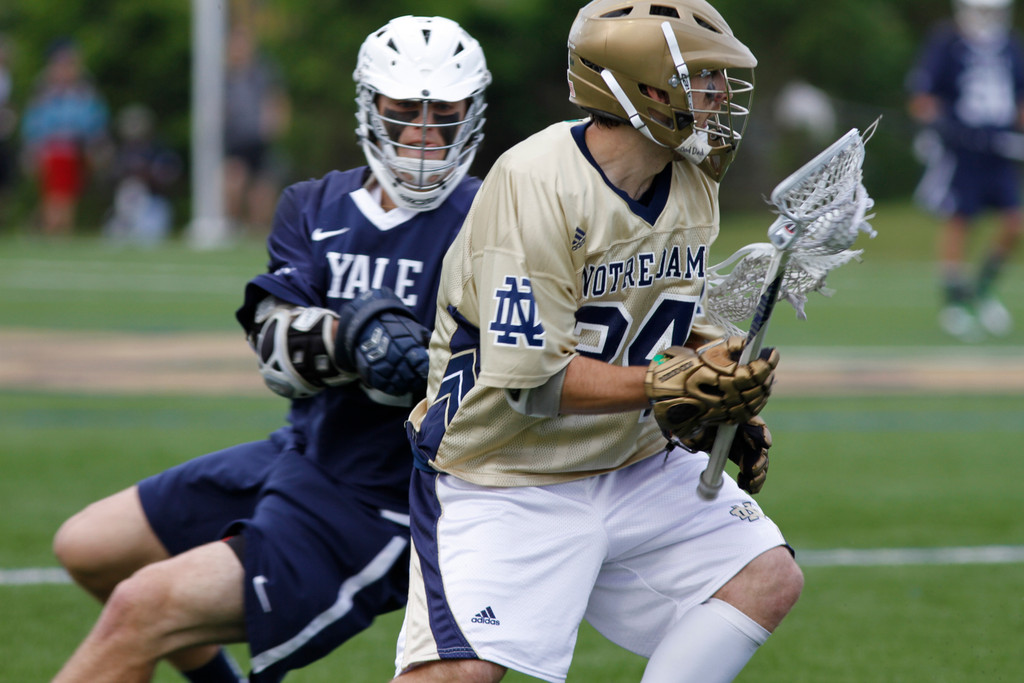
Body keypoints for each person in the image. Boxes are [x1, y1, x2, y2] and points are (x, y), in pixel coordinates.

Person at [51, 16, 490, 683]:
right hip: (305, 449)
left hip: (389, 495)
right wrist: (352, 338)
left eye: (444, 115)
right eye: (403, 113)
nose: (424, 137)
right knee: (87, 547)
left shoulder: (495, 219)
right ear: (370, 108)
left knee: (142, 605)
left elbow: (507, 365)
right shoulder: (315, 204)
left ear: (472, 114)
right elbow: (276, 351)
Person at [391, 2, 803, 683]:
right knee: (456, 675)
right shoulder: (536, 181)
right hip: (505, 471)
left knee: (765, 576)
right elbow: (533, 381)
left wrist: (713, 392)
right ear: (643, 86)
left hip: (633, 460)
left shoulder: (692, 180)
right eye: (703, 79)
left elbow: (652, 317)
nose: (721, 96)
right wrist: (663, 385)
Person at [907, 0, 1024, 341]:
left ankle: (982, 290)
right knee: (960, 221)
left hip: (999, 149)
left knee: (1013, 223)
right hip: (962, 152)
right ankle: (955, 303)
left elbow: (1018, 98)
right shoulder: (946, 42)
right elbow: (922, 97)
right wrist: (944, 126)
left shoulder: (1011, 47)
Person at [20, 38, 110, 236]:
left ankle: (56, 232)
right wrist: (32, 148)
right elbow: (34, 123)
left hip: (76, 148)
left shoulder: (84, 91)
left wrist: (95, 144)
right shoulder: (45, 91)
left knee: (68, 195)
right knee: (56, 195)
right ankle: (53, 232)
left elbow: (94, 120)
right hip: (53, 148)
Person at [223, 25, 291, 236]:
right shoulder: (223, 76)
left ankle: (257, 231)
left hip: (260, 140)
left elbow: (277, 99)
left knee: (262, 190)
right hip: (235, 140)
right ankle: (234, 227)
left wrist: (276, 123)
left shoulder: (263, 72)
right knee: (234, 182)